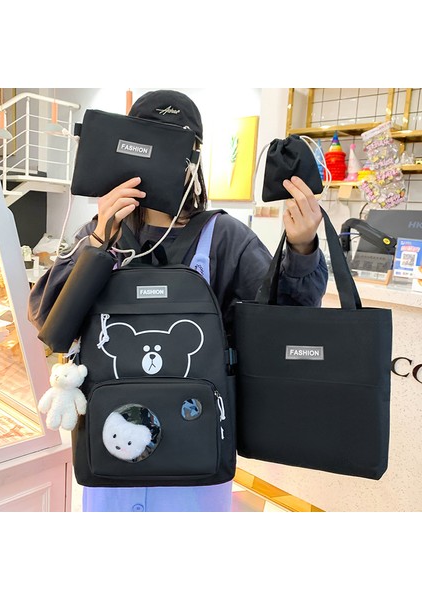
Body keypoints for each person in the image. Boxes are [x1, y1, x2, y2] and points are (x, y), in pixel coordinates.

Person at [28, 89, 328, 512]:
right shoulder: (102, 230)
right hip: (110, 445)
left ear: (193, 158)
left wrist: (301, 247)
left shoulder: (224, 236)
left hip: (197, 447)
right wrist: (97, 240)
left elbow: (285, 323)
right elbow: (47, 319)